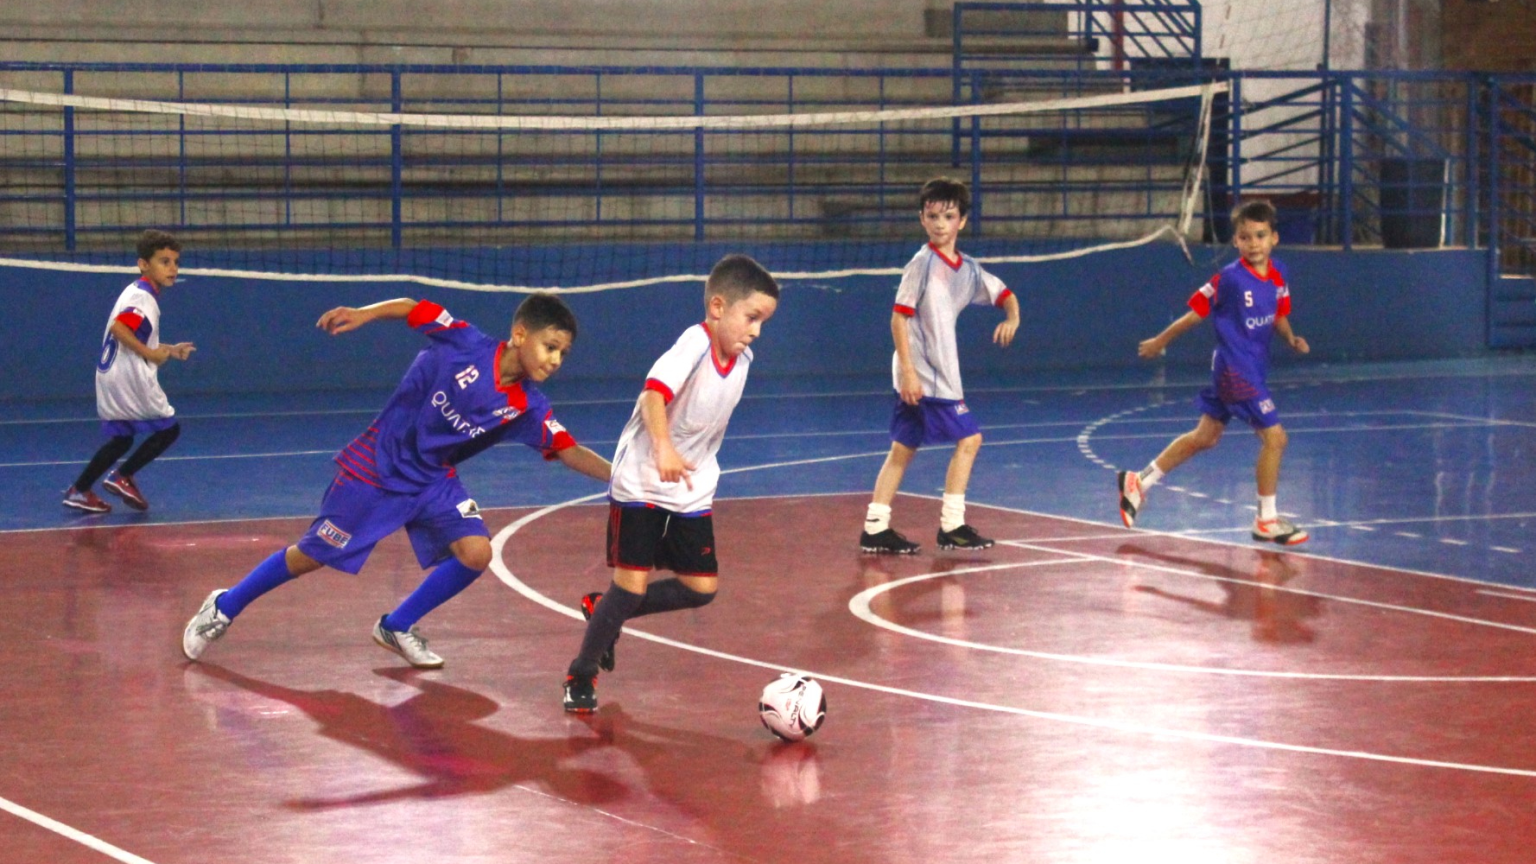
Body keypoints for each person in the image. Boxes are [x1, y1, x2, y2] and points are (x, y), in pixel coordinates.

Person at [181, 293, 612, 668]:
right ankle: (224, 605)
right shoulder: (465, 341)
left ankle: (396, 625)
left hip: (433, 481)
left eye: (562, 354)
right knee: (313, 554)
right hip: (377, 468)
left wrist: (620, 477)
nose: (555, 360)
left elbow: (567, 448)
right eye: (550, 347)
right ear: (520, 334)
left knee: (476, 552)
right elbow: (414, 307)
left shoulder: (528, 405)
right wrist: (365, 314)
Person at [563, 254, 779, 714]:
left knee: (701, 589)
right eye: (752, 317)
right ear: (718, 307)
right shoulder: (694, 344)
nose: (756, 330)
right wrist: (662, 447)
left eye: (763, 321)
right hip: (644, 475)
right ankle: (581, 672)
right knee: (631, 587)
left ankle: (605, 610)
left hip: (692, 484)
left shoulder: (743, 360)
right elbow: (651, 396)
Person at [1116, 199, 1312, 545]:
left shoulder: (1278, 275)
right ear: (1235, 242)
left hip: (1249, 368)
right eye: (1245, 237)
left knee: (1205, 437)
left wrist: (1291, 337)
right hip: (1235, 371)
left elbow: (1279, 313)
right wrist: (1160, 341)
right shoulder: (1230, 279)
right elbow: (1193, 315)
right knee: (1275, 438)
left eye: (1260, 236)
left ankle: (1139, 481)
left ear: (1274, 239)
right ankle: (1266, 519)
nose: (1253, 244)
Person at [858, 177, 1020, 555]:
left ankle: (875, 527)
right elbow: (899, 319)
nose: (940, 223)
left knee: (903, 448)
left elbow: (1006, 294)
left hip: (933, 373)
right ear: (922, 219)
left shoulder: (969, 270)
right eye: (932, 216)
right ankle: (952, 525)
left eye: (948, 216)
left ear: (961, 221)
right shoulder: (921, 264)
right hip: (926, 376)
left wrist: (1012, 318)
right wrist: (910, 373)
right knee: (970, 438)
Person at [64, 229, 196, 513]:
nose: (172, 268)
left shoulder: (134, 291)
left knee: (122, 437)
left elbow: (133, 333)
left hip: (109, 375)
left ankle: (79, 490)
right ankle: (122, 477)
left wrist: (169, 349)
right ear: (143, 264)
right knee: (169, 429)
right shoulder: (143, 298)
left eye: (175, 262)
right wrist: (151, 355)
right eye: (164, 261)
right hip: (128, 377)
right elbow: (120, 329)